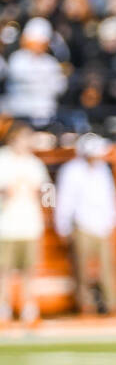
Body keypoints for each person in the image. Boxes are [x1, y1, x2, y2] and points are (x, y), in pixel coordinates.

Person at [54, 133, 116, 315]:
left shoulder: (102, 170)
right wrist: (62, 226)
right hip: (82, 224)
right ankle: (86, 305)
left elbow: (109, 196)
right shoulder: (71, 170)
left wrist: (115, 219)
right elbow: (65, 200)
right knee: (82, 268)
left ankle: (113, 303)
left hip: (102, 224)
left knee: (108, 267)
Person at [0, 122, 52, 327]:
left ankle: (28, 307)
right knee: (4, 270)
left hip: (30, 224)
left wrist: (41, 197)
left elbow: (48, 192)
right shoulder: (3, 160)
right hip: (6, 225)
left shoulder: (34, 163)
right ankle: (3, 307)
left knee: (29, 270)